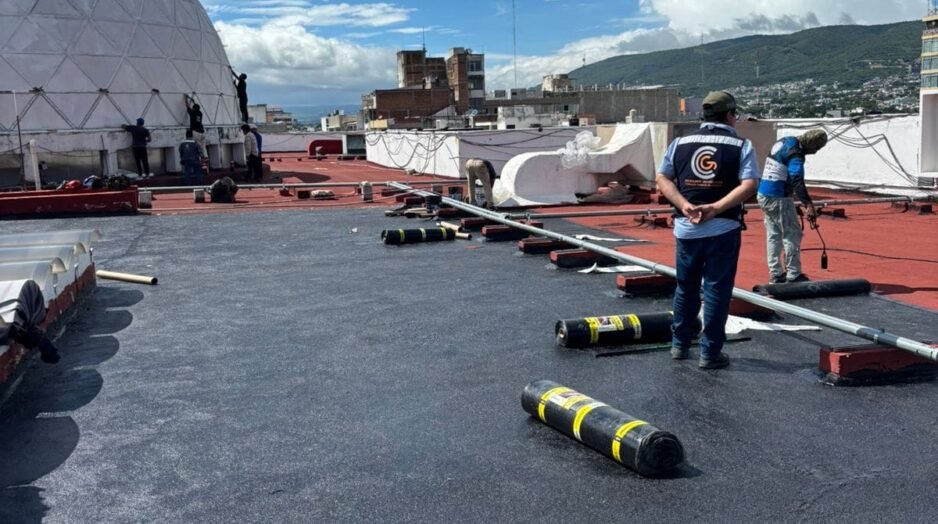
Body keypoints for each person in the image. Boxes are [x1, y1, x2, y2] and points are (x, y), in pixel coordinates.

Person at [655, 91, 760, 370]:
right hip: (723, 228)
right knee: (716, 289)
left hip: (686, 229)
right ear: (730, 115)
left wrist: (684, 204)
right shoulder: (742, 145)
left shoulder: (680, 142)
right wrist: (716, 207)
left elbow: (662, 177)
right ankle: (710, 352)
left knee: (686, 287)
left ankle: (679, 345)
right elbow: (749, 185)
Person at [757, 129, 829, 284]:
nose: (815, 152)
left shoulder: (786, 141)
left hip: (764, 194)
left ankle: (776, 273)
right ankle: (793, 274)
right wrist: (808, 205)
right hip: (778, 197)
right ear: (810, 143)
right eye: (816, 148)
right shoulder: (796, 155)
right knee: (792, 234)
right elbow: (797, 179)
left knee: (774, 235)